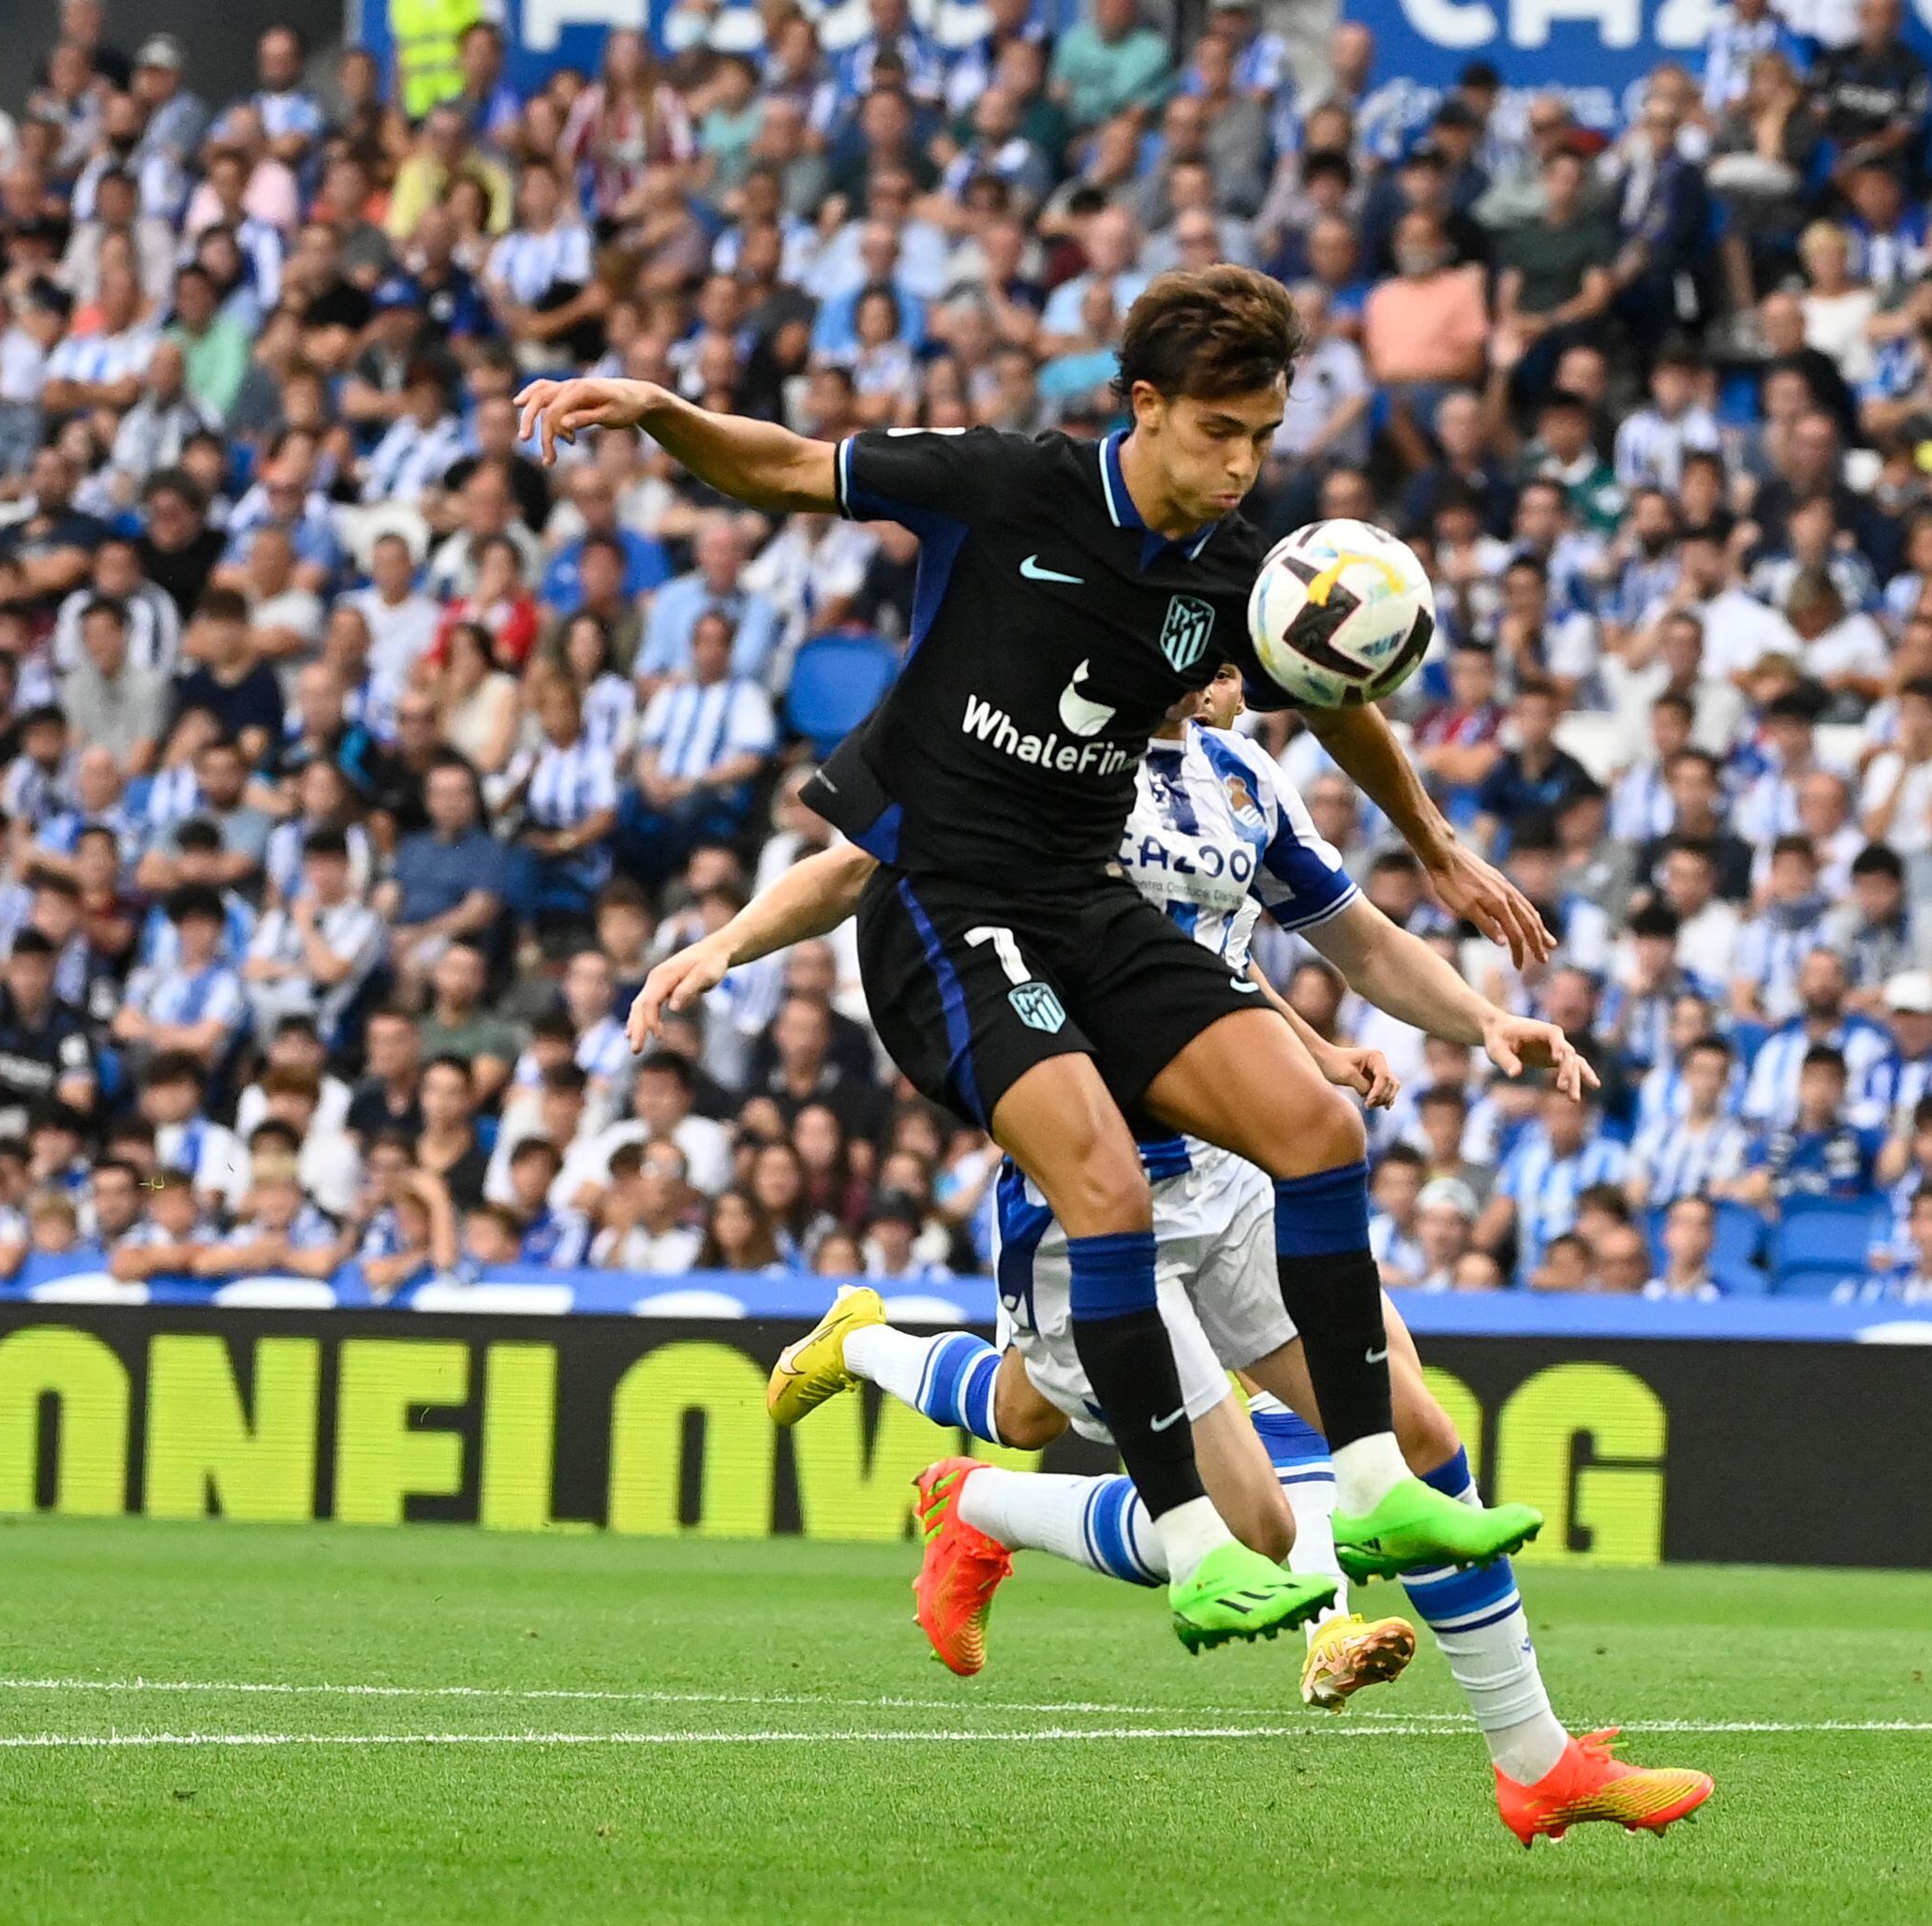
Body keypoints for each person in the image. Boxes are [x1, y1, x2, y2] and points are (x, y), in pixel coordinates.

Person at [520, 266, 1551, 1653]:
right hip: (945, 899)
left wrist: (1431, 840)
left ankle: (1369, 1484)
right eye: (1218, 433)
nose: (1243, 465)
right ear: (1144, 406)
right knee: (1105, 1187)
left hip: (1076, 894)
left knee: (1313, 1129)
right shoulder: (1013, 487)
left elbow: (1336, 690)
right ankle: (1194, 1547)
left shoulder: (1243, 568)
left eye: (1264, 436)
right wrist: (659, 412)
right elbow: (785, 469)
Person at [643, 663, 1711, 1837]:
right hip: (1089, 1191)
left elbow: (1351, 944)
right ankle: (970, 1485)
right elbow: (855, 868)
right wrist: (724, 947)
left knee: (1415, 1429)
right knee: (1233, 1517)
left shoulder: (1246, 779)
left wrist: (1482, 1018)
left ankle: (1539, 1760)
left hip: (1234, 1178)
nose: (1219, 661)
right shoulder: (1046, 764)